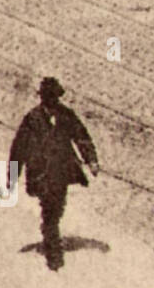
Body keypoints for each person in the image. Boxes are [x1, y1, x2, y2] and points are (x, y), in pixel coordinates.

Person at [7, 78, 99, 271]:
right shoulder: (32, 119)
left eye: (54, 97)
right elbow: (19, 148)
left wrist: (91, 160)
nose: (51, 101)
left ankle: (51, 240)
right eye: (48, 97)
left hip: (61, 172)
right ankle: (54, 256)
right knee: (50, 211)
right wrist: (12, 176)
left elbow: (81, 136)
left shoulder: (66, 115)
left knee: (56, 209)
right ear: (42, 98)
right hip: (40, 173)